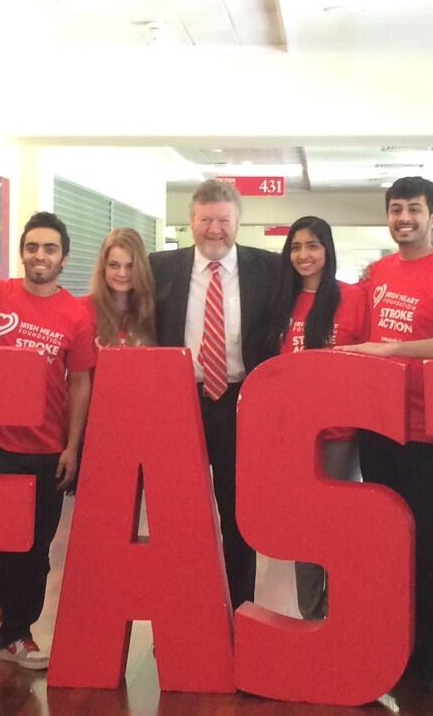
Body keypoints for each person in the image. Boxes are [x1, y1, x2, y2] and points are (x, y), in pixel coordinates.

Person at [340, 176, 433, 692]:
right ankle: (393, 643)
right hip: (378, 424)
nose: (404, 218)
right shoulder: (380, 272)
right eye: (396, 209)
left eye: (414, 209)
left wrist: (392, 351)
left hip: (428, 432)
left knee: (426, 535)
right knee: (387, 535)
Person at [150, 179, 278, 609]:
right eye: (206, 219)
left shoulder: (269, 269)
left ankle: (240, 611)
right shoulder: (159, 267)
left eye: (223, 220)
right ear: (191, 221)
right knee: (179, 516)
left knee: (239, 515)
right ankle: (185, 613)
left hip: (242, 404)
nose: (215, 229)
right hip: (180, 402)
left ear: (239, 222)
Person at [0, 211, 96, 670]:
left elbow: (80, 382)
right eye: (32, 247)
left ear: (64, 258)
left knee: (35, 546)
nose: (40, 255)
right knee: (0, 541)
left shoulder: (76, 314)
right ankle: (6, 611)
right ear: (22, 253)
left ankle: (17, 632)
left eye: (50, 248)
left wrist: (72, 446)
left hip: (46, 446)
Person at [266, 216, 367, 620]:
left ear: (328, 250)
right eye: (295, 247)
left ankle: (341, 612)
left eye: (312, 245)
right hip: (294, 434)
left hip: (340, 433)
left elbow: (370, 363)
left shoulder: (353, 298)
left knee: (336, 523)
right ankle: (312, 613)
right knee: (304, 526)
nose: (303, 255)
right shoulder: (280, 301)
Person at [86, 227, 157, 347]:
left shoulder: (150, 312)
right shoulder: (82, 310)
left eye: (130, 266)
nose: (122, 273)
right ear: (103, 267)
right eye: (114, 265)